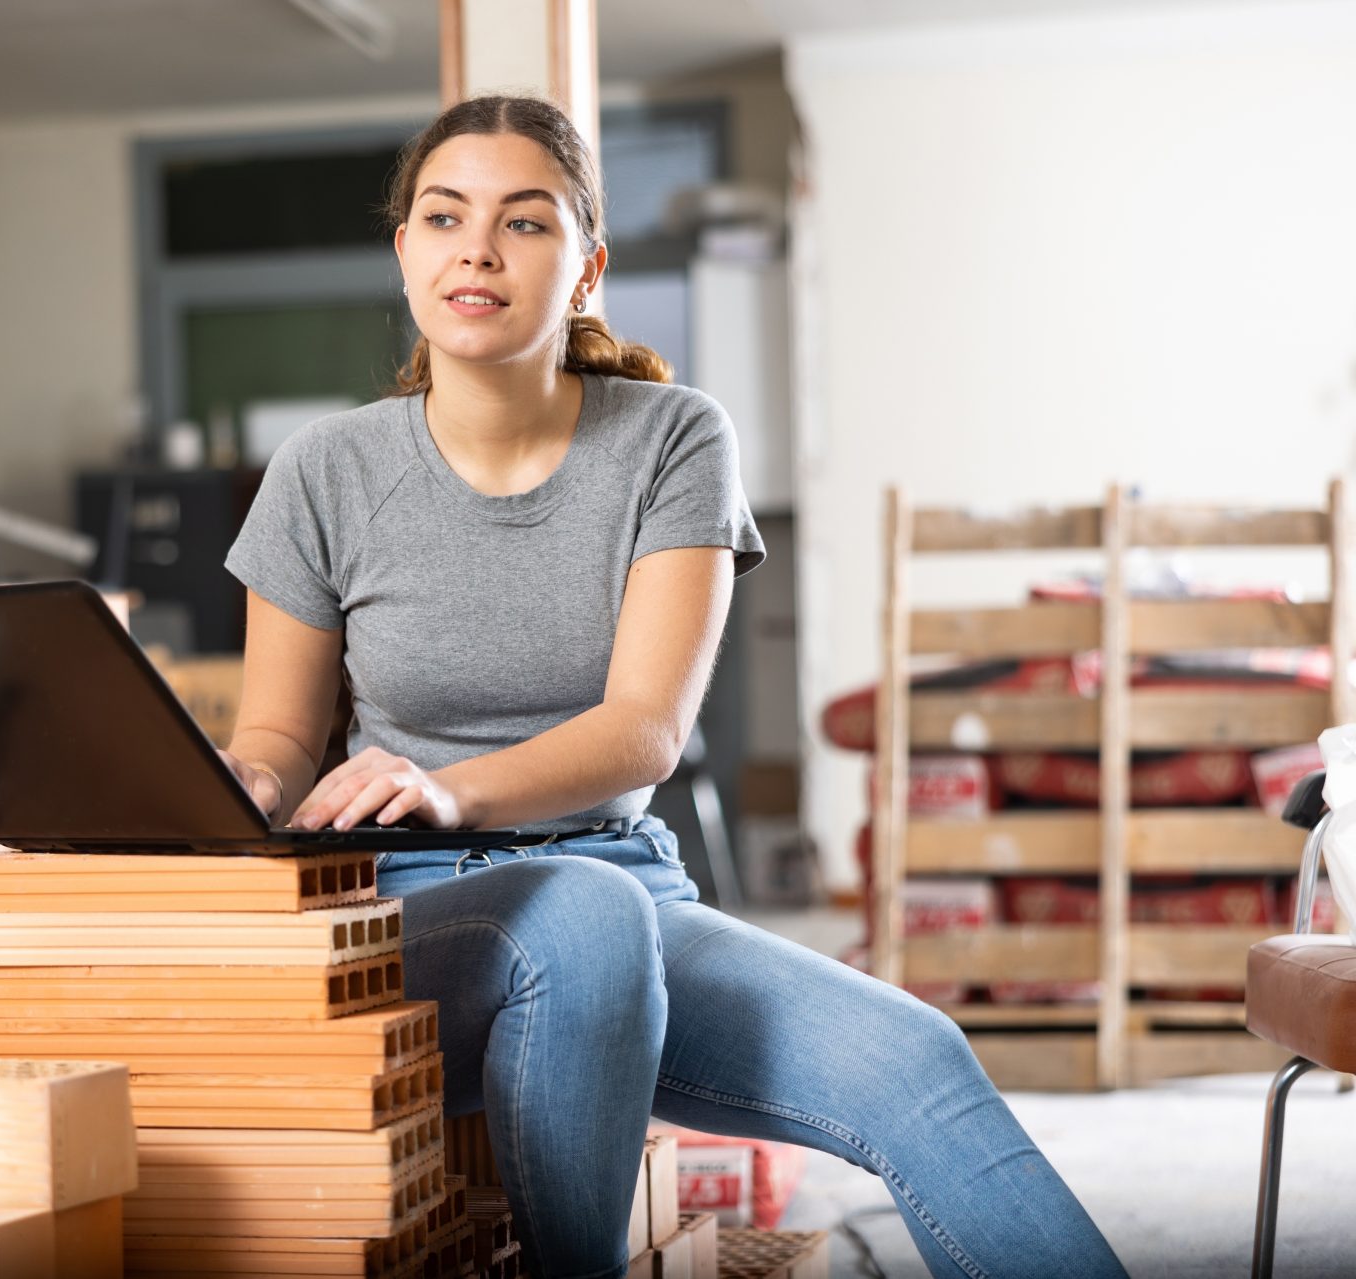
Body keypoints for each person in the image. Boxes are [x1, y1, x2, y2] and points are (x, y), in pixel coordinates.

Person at [216, 94, 1125, 1279]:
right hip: (407, 918)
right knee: (574, 917)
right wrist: (233, 781)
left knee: (916, 1059)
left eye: (523, 223)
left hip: (621, 897)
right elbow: (278, 735)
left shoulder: (671, 440)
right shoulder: (322, 470)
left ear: (586, 268)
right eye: (442, 218)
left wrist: (446, 791)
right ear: (405, 255)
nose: (476, 248)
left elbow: (643, 731)